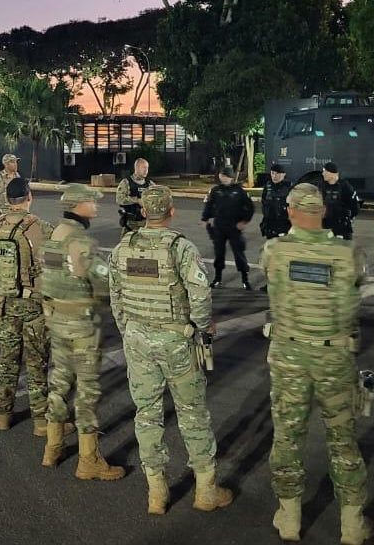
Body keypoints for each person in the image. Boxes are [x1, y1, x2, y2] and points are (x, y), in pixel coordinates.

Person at [109, 186, 232, 516]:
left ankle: (156, 492)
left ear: (143, 212)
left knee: (147, 413)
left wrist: (129, 330)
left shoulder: (123, 247)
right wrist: (202, 327)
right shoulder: (180, 247)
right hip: (177, 341)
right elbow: (200, 293)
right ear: (171, 211)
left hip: (137, 340)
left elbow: (115, 296)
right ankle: (205, 490)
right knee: (192, 412)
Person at [263, 183, 371, 545]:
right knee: (343, 439)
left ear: (290, 211)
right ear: (323, 212)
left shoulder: (275, 250)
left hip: (289, 357)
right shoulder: (347, 253)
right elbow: (356, 291)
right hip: (335, 357)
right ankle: (352, 525)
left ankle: (290, 518)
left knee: (288, 436)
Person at [39, 184, 125, 481]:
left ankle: (52, 447)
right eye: (91, 201)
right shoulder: (80, 241)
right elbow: (103, 282)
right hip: (81, 324)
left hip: (57, 318)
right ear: (78, 205)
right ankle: (89, 460)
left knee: (59, 381)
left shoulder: (54, 235)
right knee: (87, 391)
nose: (96, 206)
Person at [0, 177, 53, 432]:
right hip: (32, 305)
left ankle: (2, 415)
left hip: (5, 303)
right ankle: (41, 421)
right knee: (36, 363)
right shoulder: (40, 227)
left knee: (7, 361)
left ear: (7, 199)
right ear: (29, 197)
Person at [202, 166, 254, 290]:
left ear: (231, 178)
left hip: (234, 227)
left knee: (239, 253)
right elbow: (209, 205)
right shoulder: (215, 190)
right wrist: (205, 218)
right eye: (222, 175)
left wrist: (244, 221)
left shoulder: (239, 191)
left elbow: (250, 207)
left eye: (227, 176)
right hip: (219, 227)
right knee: (219, 253)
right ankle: (217, 279)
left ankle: (245, 280)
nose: (224, 178)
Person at [317, 162, 360, 240]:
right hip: (326, 227)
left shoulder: (345, 186)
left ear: (332, 173)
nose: (323, 174)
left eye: (325, 171)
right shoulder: (322, 186)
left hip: (342, 228)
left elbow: (355, 208)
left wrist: (347, 219)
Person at [116, 158, 155, 233]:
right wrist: (137, 200)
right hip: (131, 224)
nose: (146, 170)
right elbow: (119, 199)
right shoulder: (126, 182)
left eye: (147, 168)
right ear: (136, 168)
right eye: (143, 168)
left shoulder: (150, 184)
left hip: (147, 223)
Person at [259, 162, 291, 239]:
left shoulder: (289, 187)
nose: (274, 176)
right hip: (270, 226)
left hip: (284, 226)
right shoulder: (268, 186)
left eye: (277, 174)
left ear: (283, 174)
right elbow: (264, 201)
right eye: (272, 173)